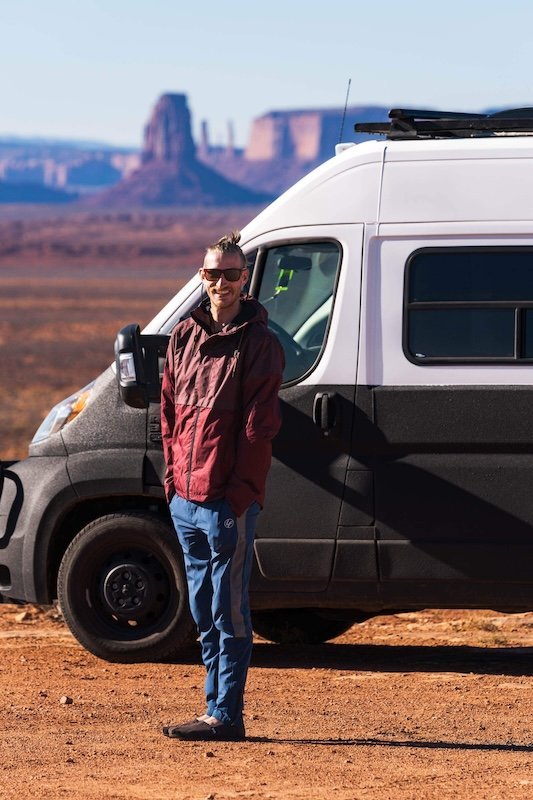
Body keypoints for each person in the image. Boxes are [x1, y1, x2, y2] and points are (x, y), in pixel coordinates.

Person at [160, 231, 285, 741]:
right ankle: (213, 705)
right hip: (185, 500)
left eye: (231, 274)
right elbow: (168, 414)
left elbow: (259, 431)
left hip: (225, 502)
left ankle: (226, 715)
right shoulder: (183, 337)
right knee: (200, 609)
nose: (221, 283)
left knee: (227, 608)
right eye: (212, 273)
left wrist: (238, 496)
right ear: (201, 276)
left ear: (245, 279)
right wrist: (172, 481)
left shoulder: (259, 344)